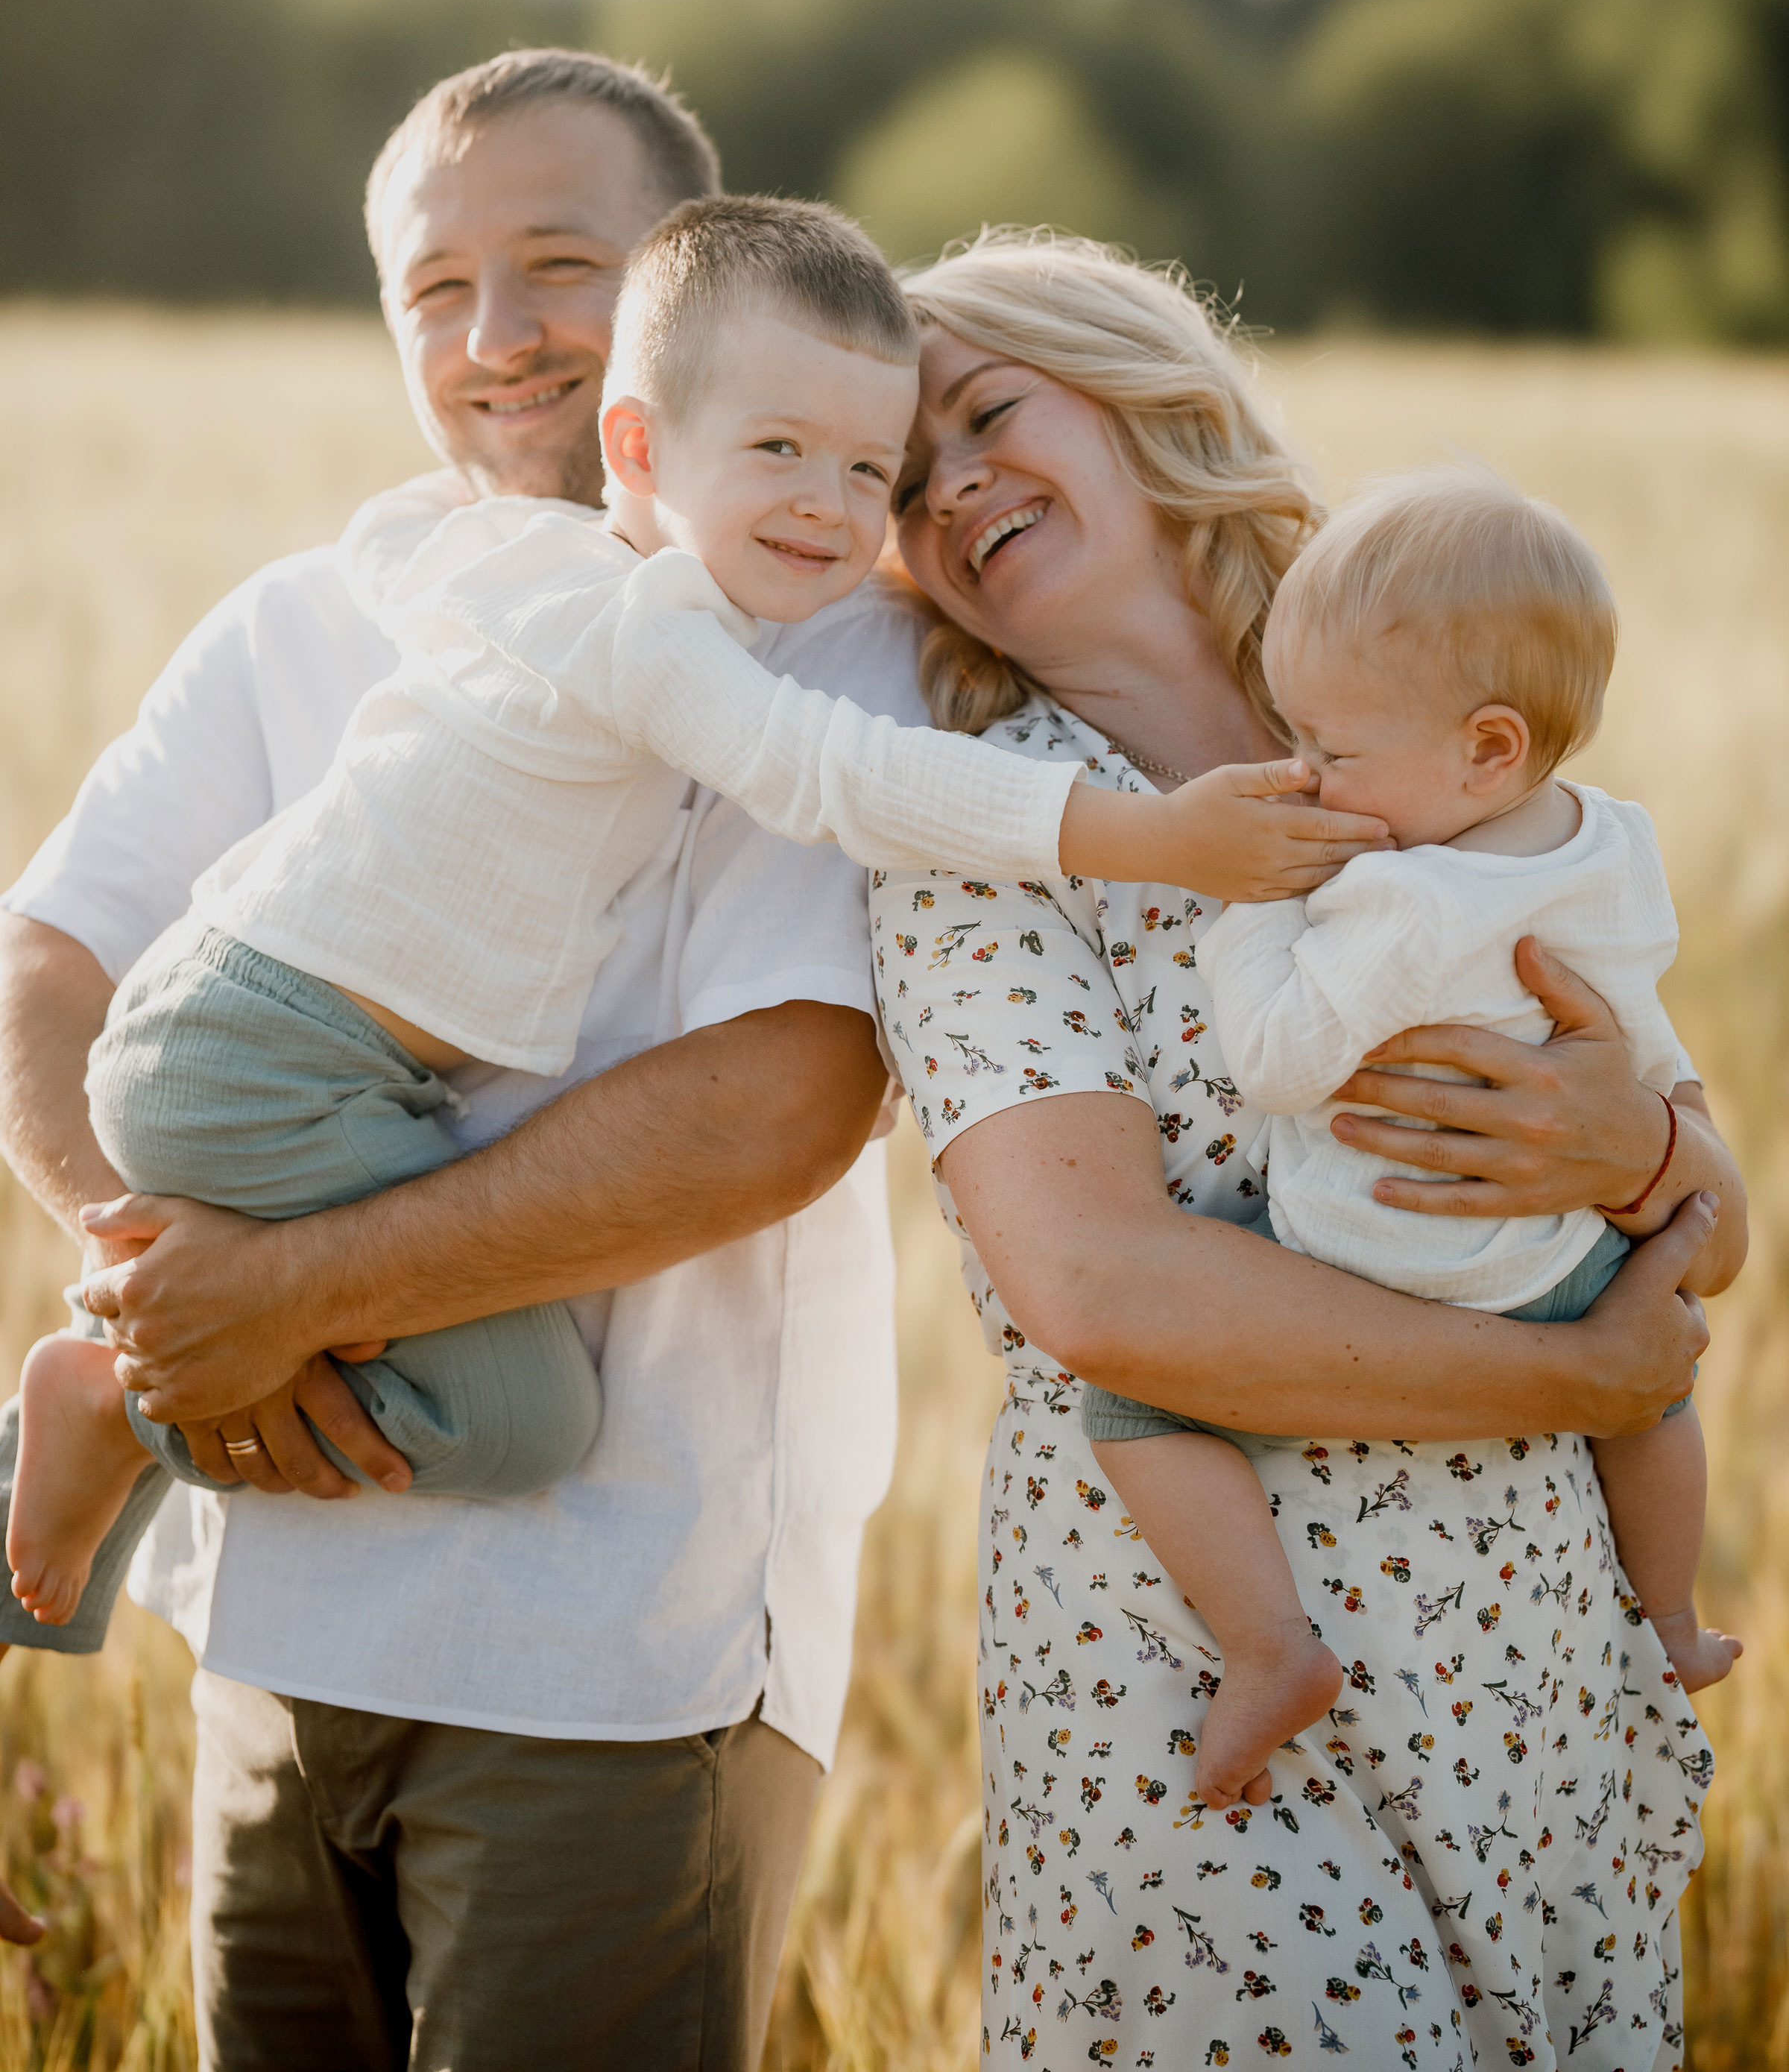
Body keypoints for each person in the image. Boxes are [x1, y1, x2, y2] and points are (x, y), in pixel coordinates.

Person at [6, 195, 1352, 1637]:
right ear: (640, 447)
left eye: (862, 473)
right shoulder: (650, 630)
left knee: (448, 1380)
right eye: (790, 452)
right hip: (261, 1053)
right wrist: (1153, 836)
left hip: (273, 1041)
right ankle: (108, 1390)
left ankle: (118, 1374)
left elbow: (402, 539)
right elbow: (840, 772)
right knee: (518, 1420)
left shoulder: (543, 574)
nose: (846, 510)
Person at [0, 51, 918, 2071]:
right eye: (436, 286)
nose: (495, 339)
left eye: (561, 265)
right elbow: (55, 963)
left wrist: (291, 1299)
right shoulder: (304, 616)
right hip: (264, 1626)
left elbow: (776, 1104)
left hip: (613, 1664)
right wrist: (155, 1278)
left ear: (680, 286)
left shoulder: (813, 632)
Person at [871, 230, 1741, 2068]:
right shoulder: (982, 837)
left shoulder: (1413, 708)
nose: (949, 482)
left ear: (1146, 400)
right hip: (1201, 1667)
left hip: (1528, 1646)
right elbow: (1103, 1291)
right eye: (899, 470)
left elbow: (1711, 1215)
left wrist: (1646, 1144)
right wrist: (1579, 1368)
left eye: (988, 410)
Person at [1079, 463, 1741, 1821]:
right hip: (1566, 1260)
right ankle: (1669, 1620)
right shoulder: (1611, 841)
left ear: (1487, 749)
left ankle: (1269, 1648)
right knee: (1656, 1393)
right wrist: (1661, 1152)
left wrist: (1255, 902)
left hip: (1383, 1255)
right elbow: (1639, 1034)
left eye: (1334, 750)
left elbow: (1271, 1059)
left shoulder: (1396, 898)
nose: (1308, 773)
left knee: (1130, 1403)